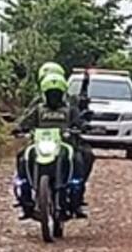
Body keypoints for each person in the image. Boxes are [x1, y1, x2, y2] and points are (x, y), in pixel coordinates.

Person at [13, 70, 92, 218]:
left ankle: (77, 197)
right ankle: (25, 199)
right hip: (41, 145)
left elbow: (79, 122)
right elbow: (25, 122)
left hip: (64, 145)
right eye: (51, 93)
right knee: (22, 157)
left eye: (56, 93)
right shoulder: (38, 109)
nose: (53, 97)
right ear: (45, 94)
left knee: (82, 158)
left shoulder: (70, 109)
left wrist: (83, 126)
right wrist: (19, 128)